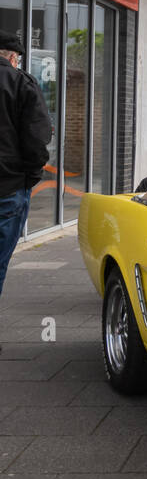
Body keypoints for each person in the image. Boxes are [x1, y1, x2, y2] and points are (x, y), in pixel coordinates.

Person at [0, 29, 52, 301]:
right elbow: (36, 137)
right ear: (12, 58)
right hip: (8, 189)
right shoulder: (20, 83)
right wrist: (31, 176)